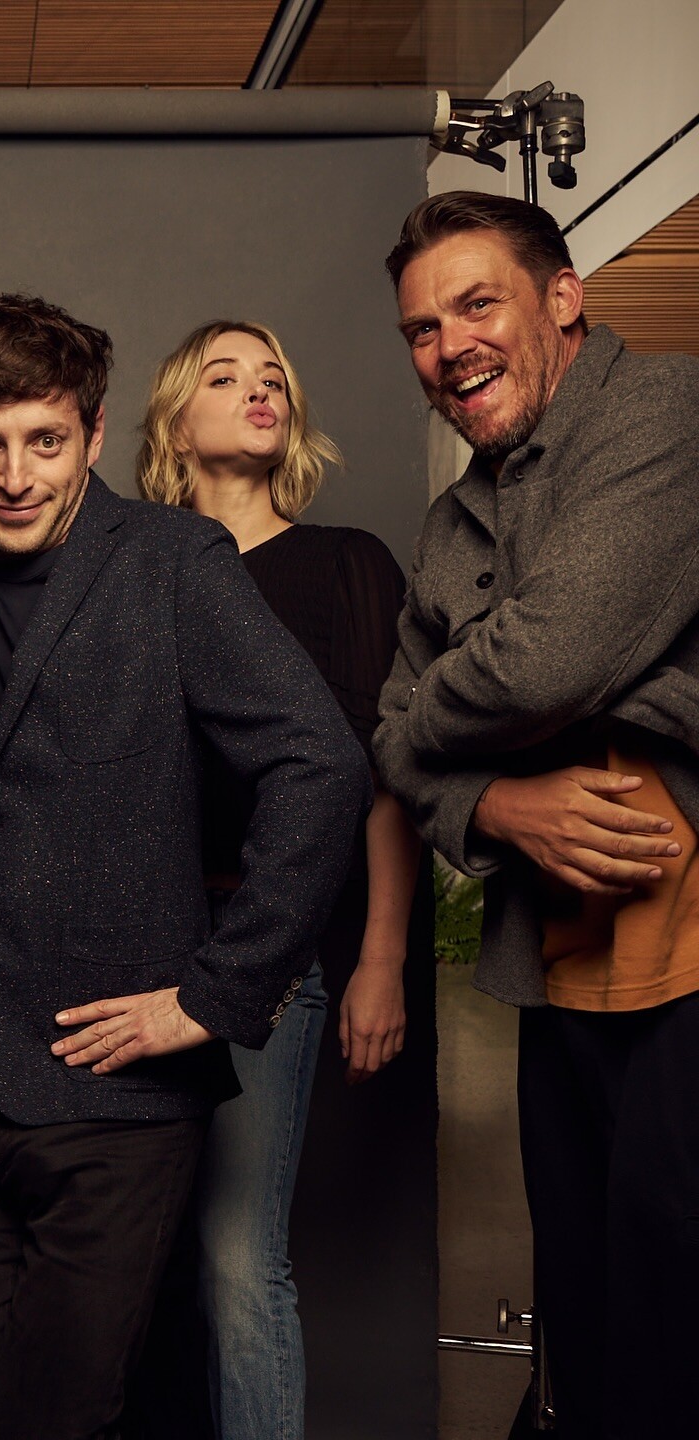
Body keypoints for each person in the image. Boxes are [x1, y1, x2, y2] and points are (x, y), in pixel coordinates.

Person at [0, 293, 371, 1440]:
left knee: (58, 1412)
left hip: (122, 1093)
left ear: (94, 435)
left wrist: (215, 993)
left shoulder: (173, 562)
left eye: (44, 442)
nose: (15, 477)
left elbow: (321, 765)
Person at [374, 191, 699, 1438]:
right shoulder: (452, 517)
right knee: (588, 1319)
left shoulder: (663, 409)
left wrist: (519, 687)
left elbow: (543, 663)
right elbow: (390, 735)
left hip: (691, 960)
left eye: (477, 304)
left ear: (563, 299)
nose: (448, 346)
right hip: (563, 971)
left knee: (674, 1321)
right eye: (421, 328)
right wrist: (498, 802)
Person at [135, 319, 420, 1440]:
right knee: (133, 1260)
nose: (260, 391)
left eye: (274, 380)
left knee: (235, 1258)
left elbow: (379, 777)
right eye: (226, 376)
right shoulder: (133, 569)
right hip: (134, 949)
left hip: (271, 951)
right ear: (175, 422)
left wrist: (381, 957)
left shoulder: (348, 563)